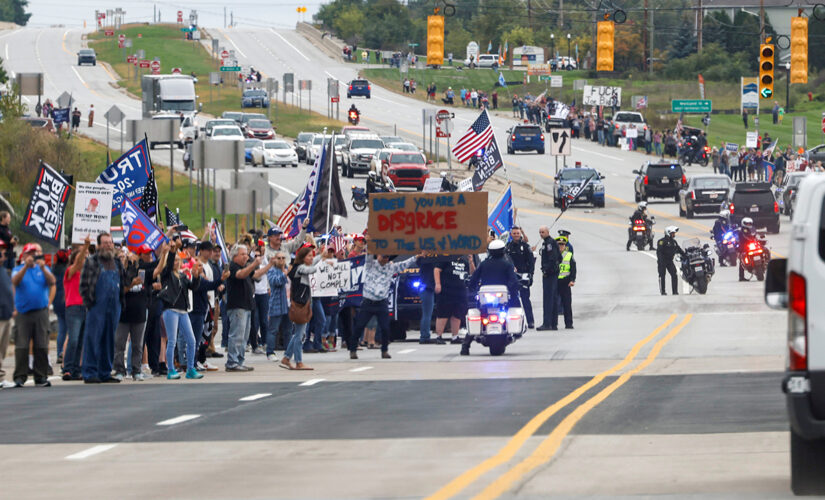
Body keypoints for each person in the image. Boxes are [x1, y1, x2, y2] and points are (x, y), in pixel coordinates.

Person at [349, 253, 421, 360]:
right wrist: (370, 242)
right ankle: (353, 350)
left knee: (385, 328)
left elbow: (405, 264)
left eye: (387, 257)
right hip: (368, 301)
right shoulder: (370, 265)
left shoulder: (391, 267)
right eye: (383, 256)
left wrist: (416, 256)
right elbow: (368, 254)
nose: (385, 259)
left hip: (381, 302)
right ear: (377, 256)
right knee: (359, 326)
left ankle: (384, 351)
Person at [80, 233, 129, 384]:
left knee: (109, 339)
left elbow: (124, 282)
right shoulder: (92, 261)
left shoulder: (117, 263)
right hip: (96, 306)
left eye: (110, 242)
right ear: (99, 245)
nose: (108, 245)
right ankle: (90, 372)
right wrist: (90, 303)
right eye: (105, 243)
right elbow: (84, 285)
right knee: (93, 338)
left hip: (114, 306)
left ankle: (105, 372)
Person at [464, 240, 521, 355]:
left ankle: (466, 345)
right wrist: (515, 288)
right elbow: (513, 281)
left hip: (485, 298)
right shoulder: (507, 265)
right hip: (503, 298)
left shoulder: (484, 264)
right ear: (503, 251)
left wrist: (471, 287)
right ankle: (518, 331)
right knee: (516, 305)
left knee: (477, 313)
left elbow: (474, 279)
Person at [157, 240, 203, 380]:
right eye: (175, 260)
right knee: (172, 340)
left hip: (183, 311)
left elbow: (193, 288)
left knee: (192, 340)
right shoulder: (166, 274)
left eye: (179, 260)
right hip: (170, 309)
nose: (177, 262)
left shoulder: (182, 276)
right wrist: (172, 252)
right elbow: (169, 265)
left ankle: (190, 368)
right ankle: (170, 369)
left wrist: (196, 277)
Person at [11, 243, 56, 387]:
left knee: (41, 344)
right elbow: (15, 281)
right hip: (23, 313)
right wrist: (25, 267)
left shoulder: (43, 269)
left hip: (40, 312)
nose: (33, 256)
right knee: (22, 345)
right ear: (24, 255)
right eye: (30, 253)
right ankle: (20, 376)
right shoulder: (18, 269)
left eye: (35, 253)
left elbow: (52, 281)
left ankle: (41, 376)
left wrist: (43, 267)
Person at [225, 243, 267, 372]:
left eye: (246, 254)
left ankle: (239, 360)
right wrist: (253, 264)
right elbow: (240, 275)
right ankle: (232, 362)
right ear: (235, 256)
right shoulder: (232, 266)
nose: (246, 257)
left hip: (247, 306)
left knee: (244, 337)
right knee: (237, 335)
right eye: (242, 254)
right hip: (238, 306)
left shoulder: (245, 267)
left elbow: (256, 274)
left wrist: (270, 265)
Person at [287, 246, 329, 370]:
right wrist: (323, 262)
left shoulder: (299, 267)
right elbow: (312, 270)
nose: (311, 258)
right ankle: (299, 362)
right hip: (300, 304)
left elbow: (312, 264)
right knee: (300, 336)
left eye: (312, 255)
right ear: (302, 257)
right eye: (309, 256)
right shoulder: (300, 268)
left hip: (303, 304)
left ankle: (286, 357)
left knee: (298, 334)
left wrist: (321, 256)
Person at [113, 249, 150, 381]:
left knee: (137, 345)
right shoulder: (119, 272)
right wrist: (132, 284)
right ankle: (119, 370)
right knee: (119, 344)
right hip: (123, 313)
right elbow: (121, 290)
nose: (130, 260)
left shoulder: (143, 270)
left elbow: (159, 267)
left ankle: (136, 370)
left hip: (139, 313)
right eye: (127, 258)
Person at [61, 239, 89, 381]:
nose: (85, 259)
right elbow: (77, 264)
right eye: (83, 257)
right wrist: (85, 247)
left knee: (81, 341)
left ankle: (76, 370)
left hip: (85, 308)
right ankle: (67, 369)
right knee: (73, 339)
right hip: (73, 308)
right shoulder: (70, 271)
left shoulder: (86, 274)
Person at [434, 254, 473, 344]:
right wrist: (438, 284)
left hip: (460, 291)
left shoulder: (464, 260)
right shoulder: (445, 257)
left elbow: (471, 273)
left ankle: (455, 337)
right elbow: (436, 270)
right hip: (446, 290)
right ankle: (439, 336)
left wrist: (471, 262)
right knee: (443, 313)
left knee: (457, 314)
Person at [506, 226, 535, 329]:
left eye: (517, 233)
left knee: (526, 300)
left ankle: (530, 322)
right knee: (512, 300)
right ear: (511, 235)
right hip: (511, 278)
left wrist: (530, 276)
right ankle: (515, 322)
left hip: (523, 277)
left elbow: (531, 262)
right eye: (514, 233)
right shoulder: (507, 247)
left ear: (520, 234)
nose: (516, 235)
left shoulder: (526, 247)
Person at [267, 251, 291, 366]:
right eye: (279, 258)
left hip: (288, 304)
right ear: (274, 259)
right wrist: (284, 274)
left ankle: (288, 353)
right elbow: (275, 282)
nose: (281, 260)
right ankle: (270, 352)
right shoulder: (272, 270)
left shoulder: (287, 269)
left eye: (283, 258)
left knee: (288, 330)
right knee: (273, 330)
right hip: (277, 304)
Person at [536, 227, 562, 331]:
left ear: (548, 232)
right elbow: (559, 257)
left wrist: (546, 270)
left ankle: (547, 324)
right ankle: (553, 323)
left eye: (543, 232)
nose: (541, 234)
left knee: (548, 299)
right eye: (540, 232)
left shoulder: (549, 243)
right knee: (553, 298)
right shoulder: (548, 242)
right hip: (553, 274)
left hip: (550, 275)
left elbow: (553, 258)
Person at [551, 236, 576, 329]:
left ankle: (569, 323)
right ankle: (554, 324)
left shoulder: (568, 255)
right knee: (554, 303)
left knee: (567, 303)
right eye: (559, 245)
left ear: (565, 246)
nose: (560, 247)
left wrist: (572, 280)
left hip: (565, 282)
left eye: (562, 245)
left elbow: (573, 269)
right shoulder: (553, 255)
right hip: (555, 281)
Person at [0, 241, 13, 385]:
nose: (2, 253)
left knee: (3, 349)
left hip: (6, 313)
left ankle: (0, 377)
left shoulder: (4, 270)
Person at [656, 226, 684, 296]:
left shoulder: (674, 242)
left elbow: (679, 250)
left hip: (669, 261)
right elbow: (659, 252)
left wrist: (686, 255)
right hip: (662, 261)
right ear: (668, 233)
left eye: (674, 233)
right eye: (672, 233)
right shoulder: (661, 241)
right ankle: (663, 291)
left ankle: (675, 291)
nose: (674, 234)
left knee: (674, 274)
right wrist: (660, 261)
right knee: (662, 275)